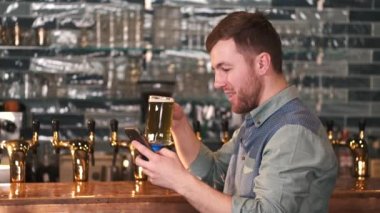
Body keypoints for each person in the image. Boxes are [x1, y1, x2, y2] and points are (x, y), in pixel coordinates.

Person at [132, 11, 338, 213]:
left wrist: (180, 182)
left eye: (226, 69)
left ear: (262, 63)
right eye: (216, 71)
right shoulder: (259, 122)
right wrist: (178, 125)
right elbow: (215, 175)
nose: (217, 82)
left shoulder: (292, 132)